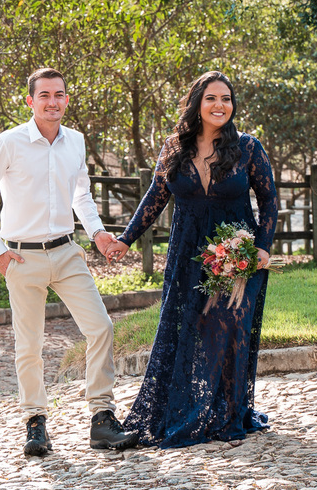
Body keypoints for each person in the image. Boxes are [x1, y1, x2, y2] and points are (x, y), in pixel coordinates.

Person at [0, 67, 139, 456]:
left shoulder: (75, 142)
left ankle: (101, 419)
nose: (52, 102)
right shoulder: (8, 142)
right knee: (29, 345)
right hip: (21, 257)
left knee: (101, 328)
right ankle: (35, 424)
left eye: (59, 94)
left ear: (66, 99)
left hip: (66, 252)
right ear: (30, 101)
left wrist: (96, 233)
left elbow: (81, 196)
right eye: (44, 95)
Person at [103, 70, 277, 448]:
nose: (220, 106)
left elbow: (269, 201)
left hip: (238, 255)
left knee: (228, 330)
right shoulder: (174, 147)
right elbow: (154, 198)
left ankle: (228, 415)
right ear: (197, 103)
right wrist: (126, 239)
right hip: (187, 255)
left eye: (227, 99)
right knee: (188, 330)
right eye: (212, 98)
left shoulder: (248, 148)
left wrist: (262, 247)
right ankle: (190, 409)